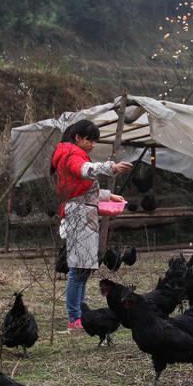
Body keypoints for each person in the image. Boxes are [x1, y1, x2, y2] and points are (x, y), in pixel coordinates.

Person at [51, 119, 133, 330]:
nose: (93, 144)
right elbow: (85, 171)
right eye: (90, 140)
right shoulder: (72, 156)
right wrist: (110, 168)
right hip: (78, 215)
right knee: (78, 269)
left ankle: (79, 314)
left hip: (83, 213)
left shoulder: (71, 153)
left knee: (83, 269)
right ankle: (74, 317)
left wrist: (108, 195)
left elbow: (82, 191)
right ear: (78, 138)